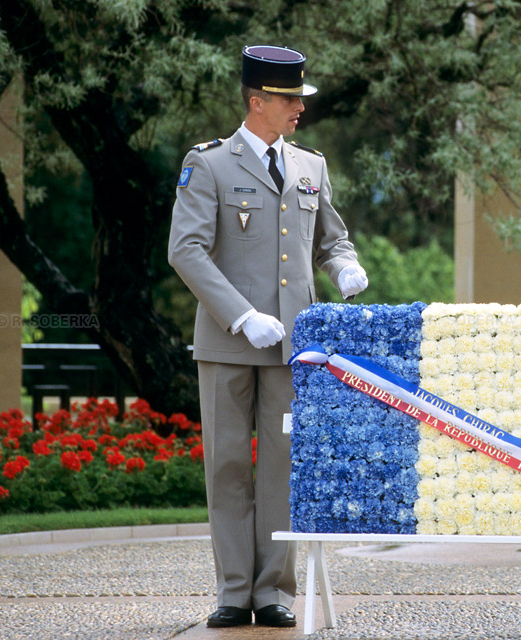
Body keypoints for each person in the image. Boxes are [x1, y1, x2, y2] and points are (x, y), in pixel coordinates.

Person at [168, 44, 368, 628]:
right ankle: (234, 589)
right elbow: (186, 250)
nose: (298, 108)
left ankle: (272, 592)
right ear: (257, 101)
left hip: (292, 345)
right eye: (288, 99)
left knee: (283, 466)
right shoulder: (208, 164)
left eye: (299, 98)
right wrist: (240, 314)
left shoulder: (311, 166)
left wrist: (344, 265)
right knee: (228, 465)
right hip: (231, 342)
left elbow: (332, 237)